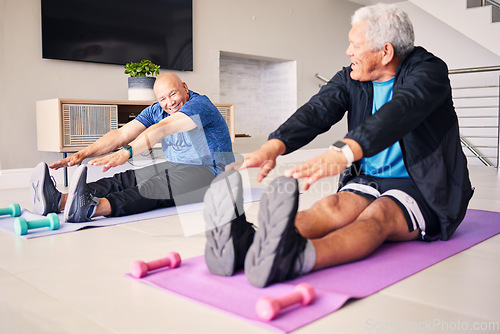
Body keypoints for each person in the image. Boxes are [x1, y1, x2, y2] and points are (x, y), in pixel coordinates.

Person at [202, 3, 474, 288]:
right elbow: (318, 110)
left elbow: (401, 110)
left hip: (425, 187)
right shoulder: (352, 77)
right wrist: (275, 145)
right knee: (332, 206)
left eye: (355, 45)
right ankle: (248, 244)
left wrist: (346, 150)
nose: (348, 52)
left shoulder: (429, 72)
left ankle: (296, 257)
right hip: (370, 178)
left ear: (386, 52)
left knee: (377, 215)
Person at [31, 73, 234, 223]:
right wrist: (83, 154)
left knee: (155, 186)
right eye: (162, 99)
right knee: (126, 179)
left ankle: (92, 208)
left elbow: (163, 129)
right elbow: (121, 134)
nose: (170, 103)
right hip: (179, 165)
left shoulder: (200, 105)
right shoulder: (156, 110)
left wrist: (127, 152)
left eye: (173, 94)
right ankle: (59, 201)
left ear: (185, 87)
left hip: (214, 174)